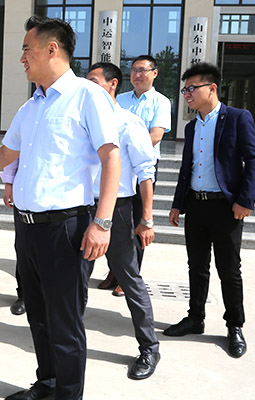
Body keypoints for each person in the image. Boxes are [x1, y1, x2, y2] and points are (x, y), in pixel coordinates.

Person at [0, 15, 121, 400]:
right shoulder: (32, 105)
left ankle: (68, 395)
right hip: (28, 228)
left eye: (26, 49)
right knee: (38, 316)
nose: (22, 57)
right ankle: (48, 385)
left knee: (65, 323)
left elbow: (111, 159)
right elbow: (6, 153)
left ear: (51, 49)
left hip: (66, 228)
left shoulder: (88, 97)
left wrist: (102, 223)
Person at [165, 62, 255, 359]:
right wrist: (178, 203)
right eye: (185, 89)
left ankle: (234, 325)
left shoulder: (237, 118)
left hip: (226, 208)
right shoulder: (192, 126)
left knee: (229, 270)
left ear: (212, 88)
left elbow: (253, 160)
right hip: (196, 205)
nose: (187, 94)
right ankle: (196, 318)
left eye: (192, 88)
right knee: (197, 266)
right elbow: (187, 168)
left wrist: (245, 200)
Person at [87, 62, 160, 379]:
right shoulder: (84, 120)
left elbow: (146, 173)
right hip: (82, 206)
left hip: (118, 209)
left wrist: (146, 218)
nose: (87, 87)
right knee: (76, 275)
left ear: (112, 84)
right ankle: (69, 340)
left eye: (94, 81)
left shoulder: (129, 124)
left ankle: (149, 348)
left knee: (129, 278)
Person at [102, 55, 170, 296]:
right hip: (114, 168)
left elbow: (155, 135)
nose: (137, 75)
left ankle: (129, 275)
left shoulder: (161, 102)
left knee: (137, 222)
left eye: (142, 70)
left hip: (142, 169)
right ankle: (114, 270)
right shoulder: (119, 99)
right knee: (114, 220)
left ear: (155, 73)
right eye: (133, 70)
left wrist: (126, 153)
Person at [0, 158, 26, 316]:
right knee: (23, 248)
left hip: (61, 199)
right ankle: (24, 295)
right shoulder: (22, 131)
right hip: (25, 196)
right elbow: (11, 154)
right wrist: (8, 183)